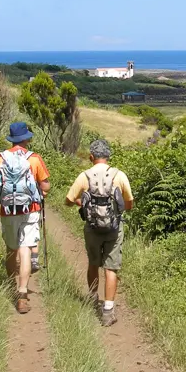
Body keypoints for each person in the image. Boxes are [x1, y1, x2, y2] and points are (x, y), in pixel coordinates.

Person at [0, 122, 50, 314]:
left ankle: (12, 287)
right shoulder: (34, 159)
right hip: (30, 209)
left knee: (12, 250)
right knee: (26, 249)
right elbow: (45, 187)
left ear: (12, 139)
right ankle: (22, 294)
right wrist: (38, 190)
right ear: (26, 138)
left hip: (8, 211)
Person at [65, 139, 133, 326]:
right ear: (109, 156)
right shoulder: (119, 175)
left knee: (93, 263)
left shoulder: (84, 176)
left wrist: (83, 203)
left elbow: (69, 200)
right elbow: (129, 204)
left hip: (92, 227)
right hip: (114, 228)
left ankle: (93, 298)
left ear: (91, 157)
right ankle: (108, 310)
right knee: (111, 267)